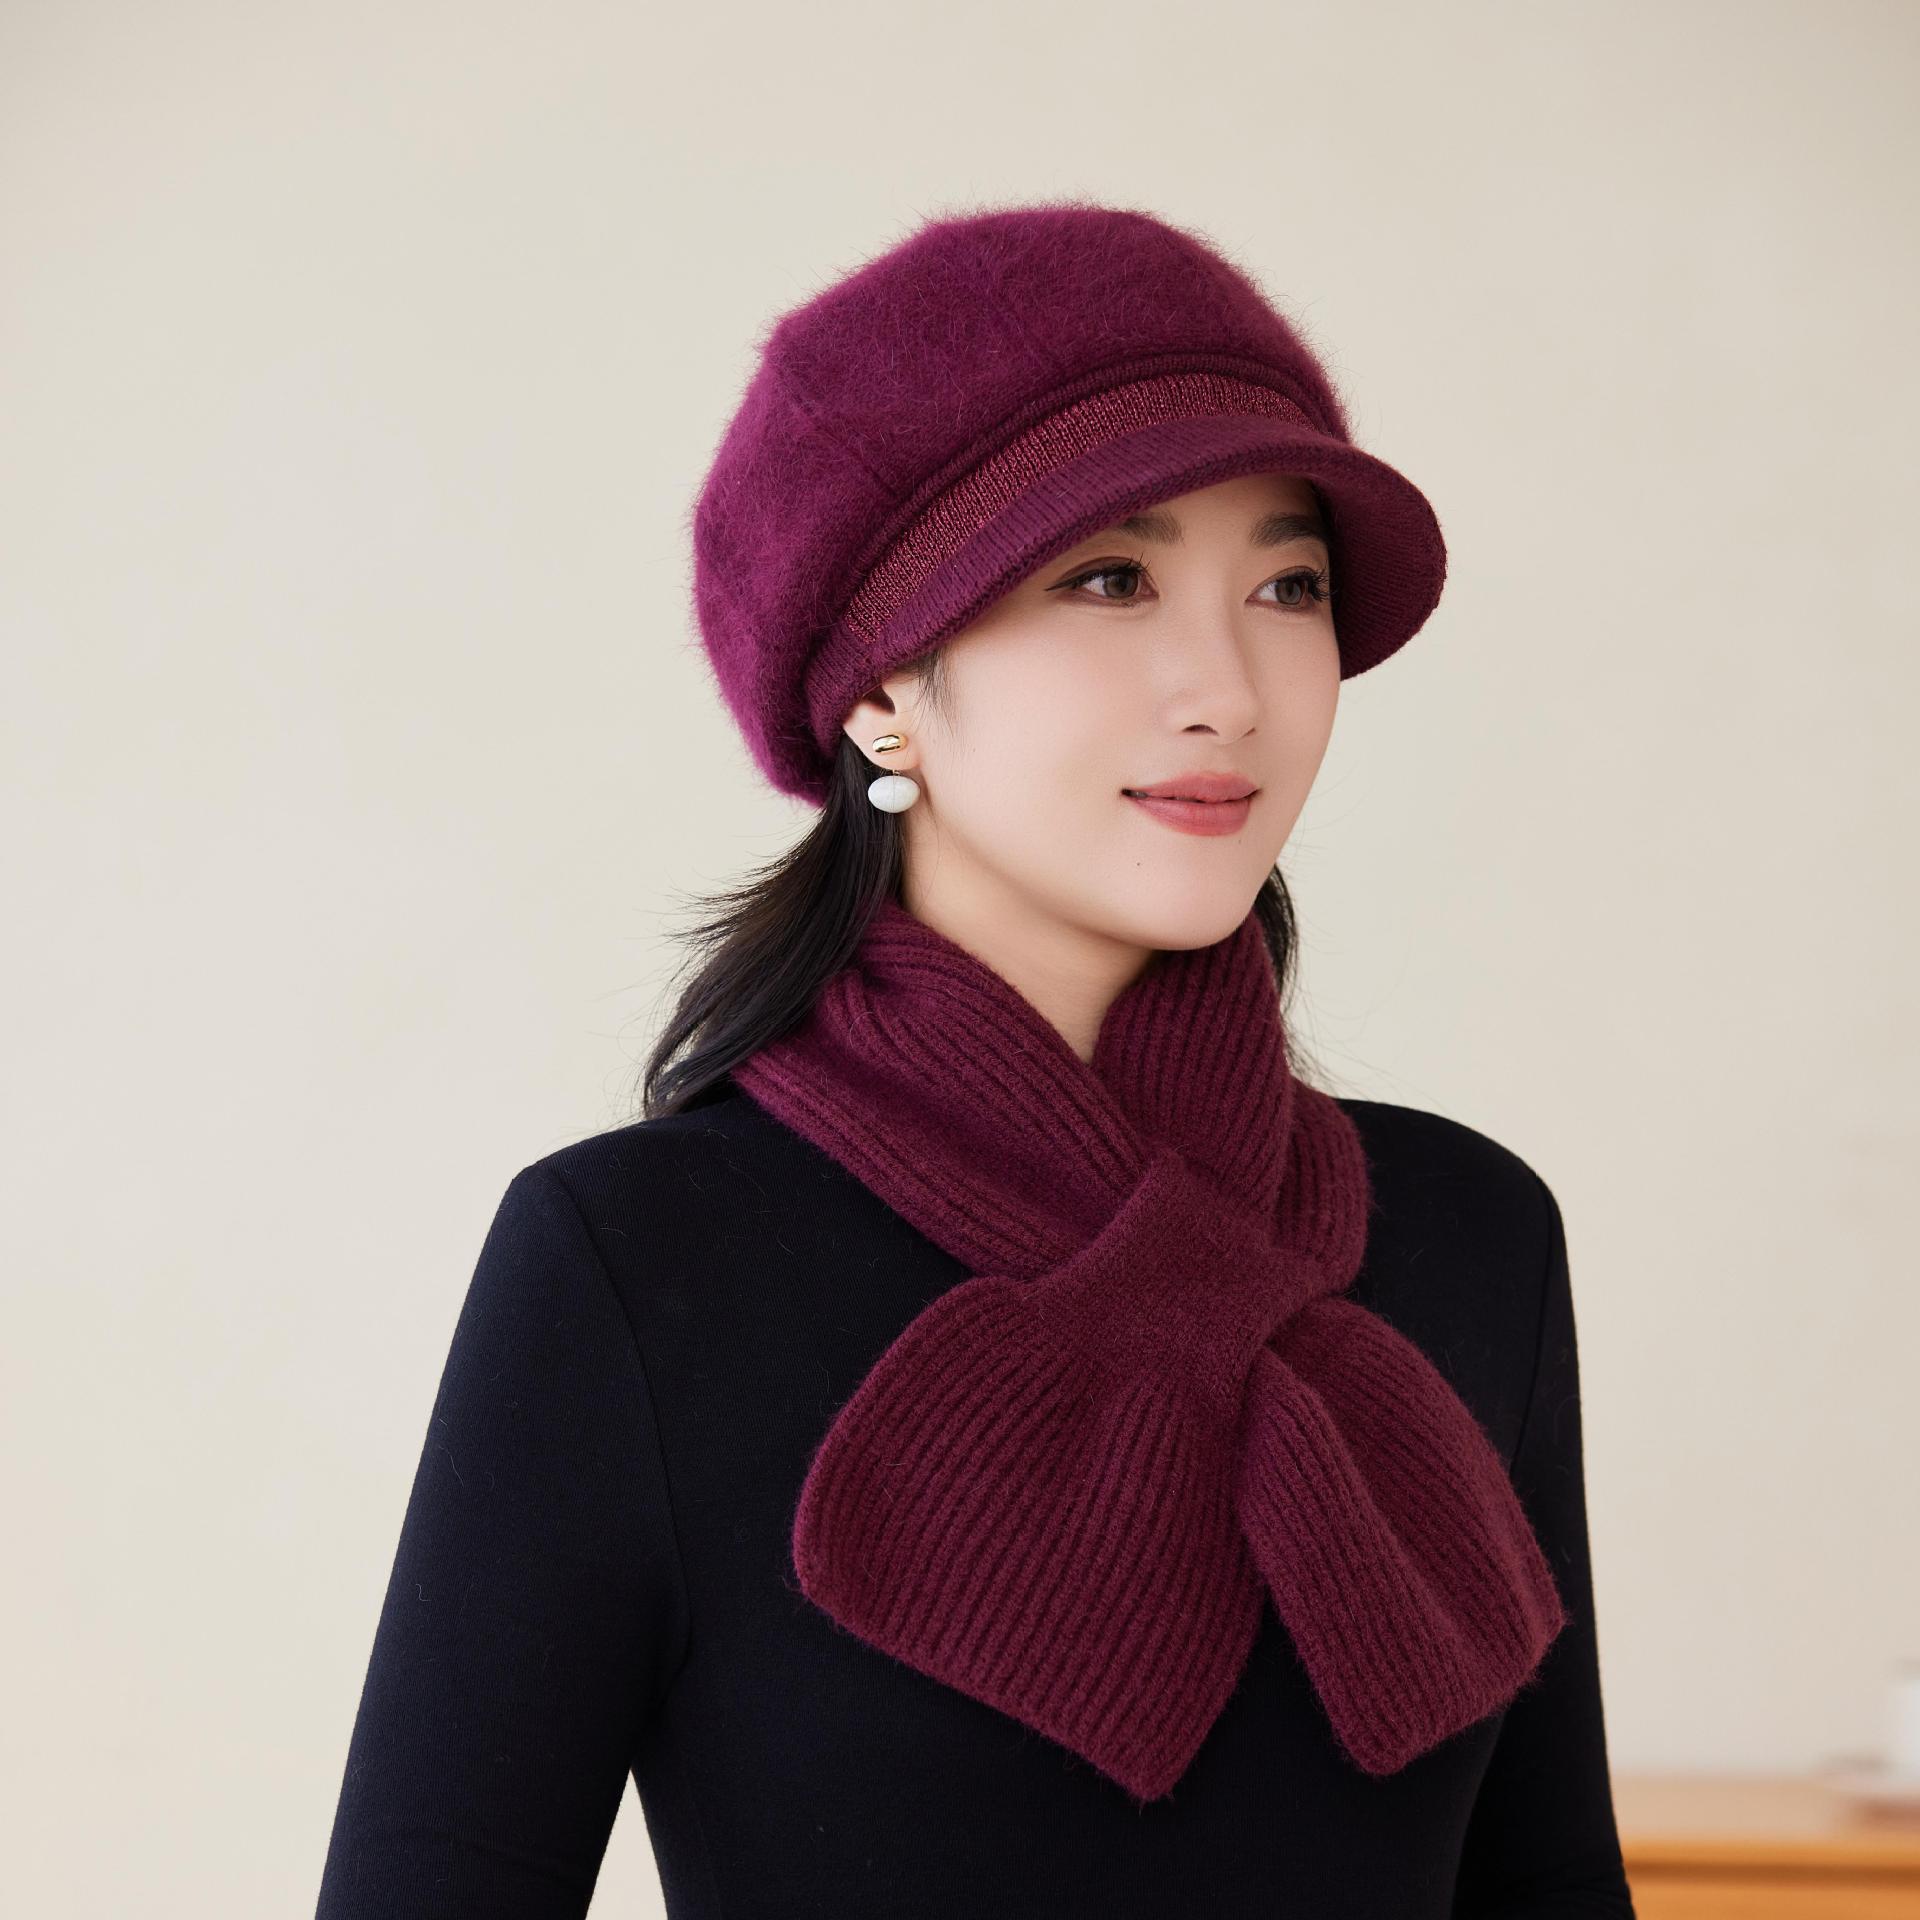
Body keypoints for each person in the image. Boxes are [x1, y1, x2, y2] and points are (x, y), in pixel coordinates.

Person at [315, 200, 1636, 1918]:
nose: (1231, 686)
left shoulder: (1470, 1233)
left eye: (1286, 584)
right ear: (879, 689)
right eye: (1111, 579)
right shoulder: (637, 1266)